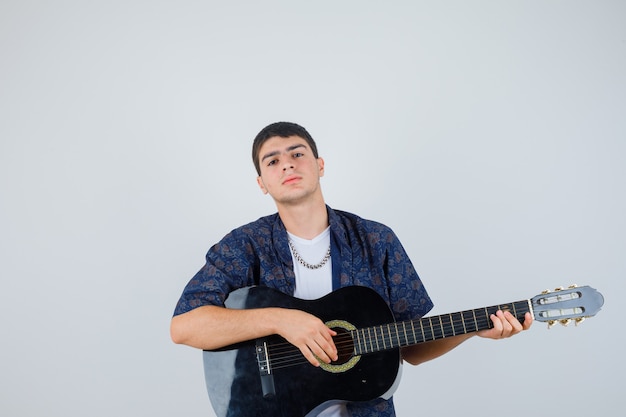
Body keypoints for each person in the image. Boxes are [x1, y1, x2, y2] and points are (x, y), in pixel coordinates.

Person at [170, 121, 533, 417]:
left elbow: (411, 347)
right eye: (273, 161)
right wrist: (280, 320)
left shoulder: (375, 240)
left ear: (320, 164)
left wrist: (473, 329)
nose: (288, 165)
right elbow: (184, 326)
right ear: (262, 183)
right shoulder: (242, 246)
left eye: (298, 154)